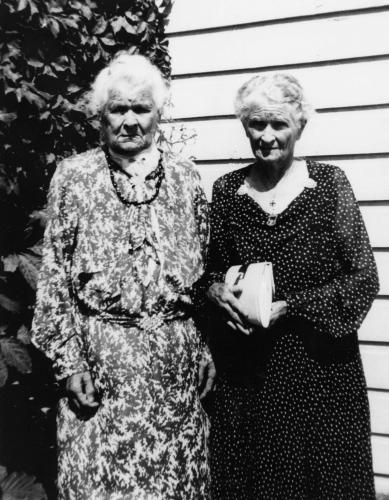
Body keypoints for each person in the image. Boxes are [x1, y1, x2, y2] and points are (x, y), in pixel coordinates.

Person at [32, 53, 214, 499]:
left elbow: (206, 273)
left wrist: (206, 348)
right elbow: (54, 279)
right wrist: (69, 365)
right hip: (103, 371)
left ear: (158, 115)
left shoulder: (187, 179)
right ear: (101, 115)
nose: (130, 121)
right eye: (119, 109)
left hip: (174, 374)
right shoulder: (74, 178)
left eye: (142, 109)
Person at [201, 73, 379, 499]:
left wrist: (292, 306)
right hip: (250, 376)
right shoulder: (227, 191)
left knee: (325, 482)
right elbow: (211, 271)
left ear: (300, 125)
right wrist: (214, 291)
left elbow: (363, 278)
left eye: (278, 124)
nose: (266, 136)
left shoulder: (330, 185)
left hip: (321, 372)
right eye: (256, 125)